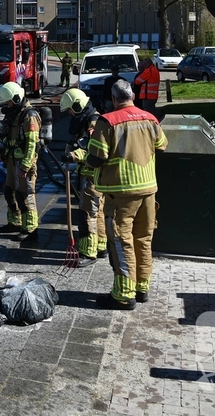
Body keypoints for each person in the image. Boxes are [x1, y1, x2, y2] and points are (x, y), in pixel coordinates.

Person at [85, 78, 168, 310]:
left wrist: (83, 157)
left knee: (122, 241)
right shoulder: (150, 118)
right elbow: (162, 144)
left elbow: (97, 157)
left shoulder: (107, 121)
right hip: (149, 190)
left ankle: (123, 295)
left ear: (113, 99)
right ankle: (142, 288)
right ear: (132, 96)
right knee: (144, 238)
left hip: (121, 192)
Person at [60, 88, 106, 261]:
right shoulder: (88, 120)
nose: (71, 114)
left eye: (71, 110)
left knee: (87, 214)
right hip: (93, 174)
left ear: (78, 106)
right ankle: (101, 245)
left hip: (91, 174)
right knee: (97, 211)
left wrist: (72, 155)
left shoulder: (93, 123)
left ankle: (88, 251)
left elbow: (91, 149)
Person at [0, 82, 41, 240]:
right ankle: (15, 222)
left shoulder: (30, 116)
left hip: (24, 163)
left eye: (8, 102)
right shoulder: (14, 113)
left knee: (25, 195)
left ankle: (30, 228)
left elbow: (32, 145)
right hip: (12, 160)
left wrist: (25, 166)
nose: (6, 106)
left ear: (15, 99)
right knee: (9, 192)